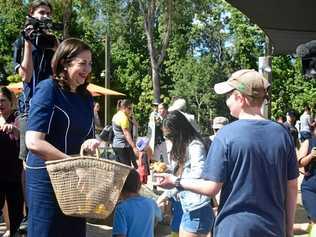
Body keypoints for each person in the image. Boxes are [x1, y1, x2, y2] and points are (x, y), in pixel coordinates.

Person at [156, 69, 299, 237]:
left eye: (228, 95)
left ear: (240, 97)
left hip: (233, 229)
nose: (227, 100)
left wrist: (175, 181)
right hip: (273, 228)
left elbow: (211, 188)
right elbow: (292, 186)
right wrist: (288, 229)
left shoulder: (226, 135)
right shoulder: (281, 133)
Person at [25, 38, 100, 237]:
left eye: (90, 63)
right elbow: (33, 141)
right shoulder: (48, 89)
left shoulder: (86, 97)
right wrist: (72, 163)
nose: (88, 68)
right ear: (65, 64)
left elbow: (85, 139)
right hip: (46, 182)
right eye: (82, 63)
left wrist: (90, 145)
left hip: (76, 182)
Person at [13, 0, 57, 161]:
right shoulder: (20, 42)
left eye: (48, 13)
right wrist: (28, 43)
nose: (45, 16)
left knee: (51, 154)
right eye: (41, 12)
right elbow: (26, 76)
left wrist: (57, 48)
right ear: (31, 14)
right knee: (29, 158)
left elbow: (62, 73)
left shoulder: (51, 42)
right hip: (29, 106)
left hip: (52, 105)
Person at [161, 110, 214, 237]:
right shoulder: (183, 146)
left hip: (197, 209)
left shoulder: (195, 145)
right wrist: (166, 194)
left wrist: (174, 183)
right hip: (189, 209)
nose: (168, 140)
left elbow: (198, 173)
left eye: (170, 136)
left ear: (179, 132)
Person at [0, 87, 24, 237]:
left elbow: (27, 139)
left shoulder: (19, 118)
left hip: (15, 174)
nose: (0, 104)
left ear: (11, 101)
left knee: (16, 210)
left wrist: (15, 131)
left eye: (2, 100)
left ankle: (14, 231)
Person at [112, 169, 162, 237]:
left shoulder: (121, 208)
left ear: (120, 187)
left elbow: (119, 235)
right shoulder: (151, 203)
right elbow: (159, 217)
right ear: (139, 186)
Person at [298, 125, 316, 236]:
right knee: (315, 219)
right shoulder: (308, 142)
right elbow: (299, 163)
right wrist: (311, 156)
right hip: (310, 187)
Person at [112, 99, 138, 168]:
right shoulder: (124, 118)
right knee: (126, 169)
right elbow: (126, 134)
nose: (131, 110)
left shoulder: (116, 115)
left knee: (118, 168)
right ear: (124, 108)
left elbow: (136, 125)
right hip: (122, 146)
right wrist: (134, 147)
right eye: (129, 108)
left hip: (116, 145)